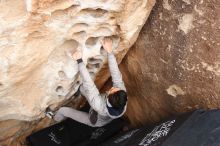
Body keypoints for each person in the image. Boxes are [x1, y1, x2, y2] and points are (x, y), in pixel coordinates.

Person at [46, 37, 127, 127]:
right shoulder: (121, 98)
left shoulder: (98, 104)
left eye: (112, 90)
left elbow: (89, 83)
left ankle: (55, 117)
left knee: (63, 110)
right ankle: (78, 93)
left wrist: (79, 60)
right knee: (82, 89)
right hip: (103, 109)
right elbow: (116, 74)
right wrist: (109, 51)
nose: (113, 87)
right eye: (116, 89)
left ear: (109, 97)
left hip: (95, 119)